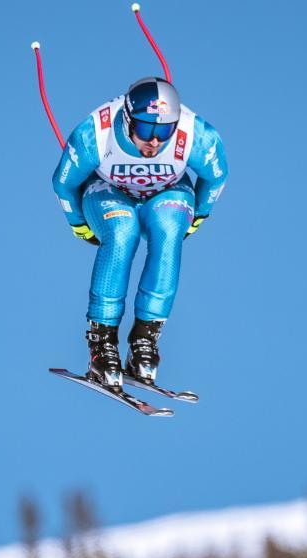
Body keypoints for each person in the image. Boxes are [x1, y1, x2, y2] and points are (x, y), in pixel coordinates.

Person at [52, 77, 228, 391]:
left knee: (169, 229)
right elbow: (63, 183)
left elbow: (216, 176)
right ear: (127, 119)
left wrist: (199, 214)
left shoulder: (195, 134)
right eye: (146, 130)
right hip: (108, 190)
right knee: (122, 234)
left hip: (168, 190)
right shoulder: (95, 134)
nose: (155, 141)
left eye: (164, 131)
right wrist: (78, 224)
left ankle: (145, 339)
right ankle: (102, 342)